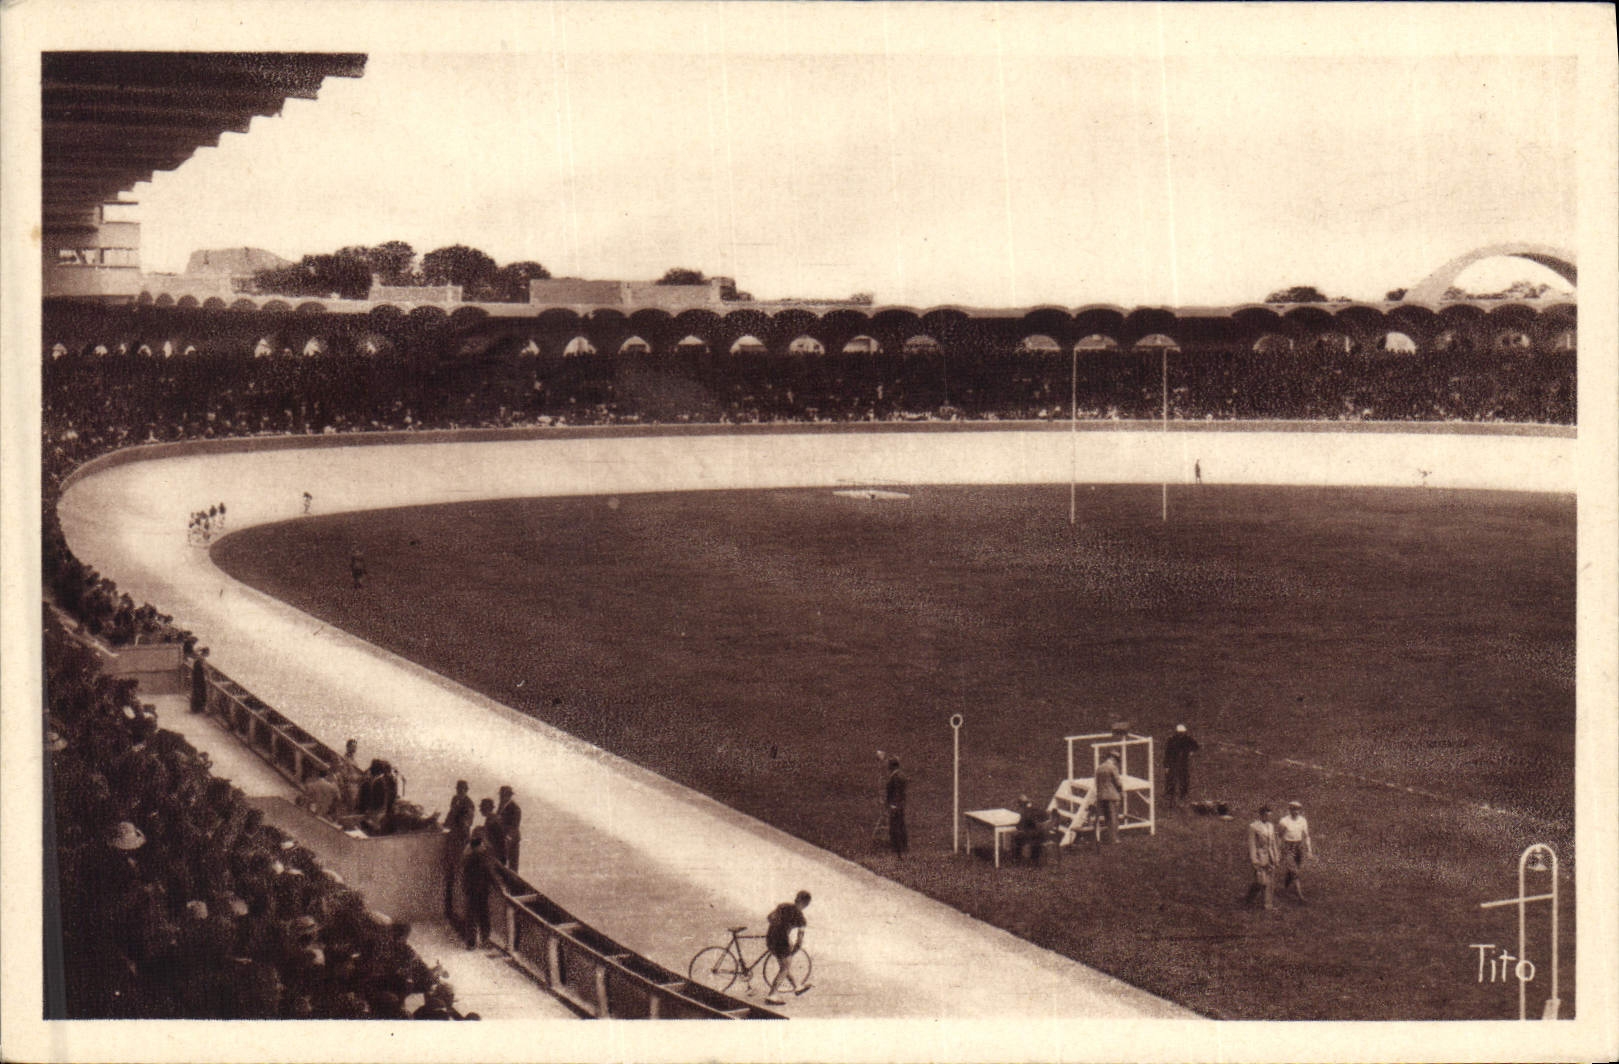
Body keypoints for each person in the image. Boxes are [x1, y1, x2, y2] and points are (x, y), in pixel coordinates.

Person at [762, 890, 811, 1005]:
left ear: (796, 898)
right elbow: (799, 941)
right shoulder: (802, 919)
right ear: (806, 904)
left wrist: (779, 926)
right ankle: (772, 995)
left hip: (770, 938)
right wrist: (793, 951)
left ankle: (797, 986)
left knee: (785, 965)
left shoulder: (783, 906)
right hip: (782, 942)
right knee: (785, 968)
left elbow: (769, 917)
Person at [443, 781, 476, 919]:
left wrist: (457, 826)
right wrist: (444, 824)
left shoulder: (469, 804)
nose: (459, 791)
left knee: (459, 871)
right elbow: (450, 815)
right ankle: (449, 906)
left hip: (460, 841)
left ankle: (459, 909)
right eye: (458, 789)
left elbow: (467, 824)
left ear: (466, 790)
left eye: (462, 789)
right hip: (453, 840)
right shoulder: (455, 799)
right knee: (450, 872)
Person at [460, 834, 496, 950]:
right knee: (483, 916)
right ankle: (485, 940)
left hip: (471, 891)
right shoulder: (481, 859)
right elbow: (489, 874)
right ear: (477, 847)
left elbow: (465, 877)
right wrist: (497, 887)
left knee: (471, 917)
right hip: (481, 892)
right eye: (482, 846)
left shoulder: (468, 858)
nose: (484, 847)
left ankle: (471, 943)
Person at [1277, 800, 1314, 902]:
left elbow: (1306, 836)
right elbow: (1279, 837)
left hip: (1299, 847)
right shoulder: (1284, 821)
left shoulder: (1302, 821)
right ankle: (1300, 896)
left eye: (1298, 810)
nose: (1296, 812)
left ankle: (1285, 889)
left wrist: (1309, 850)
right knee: (1294, 871)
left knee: (1293, 869)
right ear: (1290, 810)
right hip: (1287, 847)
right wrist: (1278, 851)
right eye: (1293, 809)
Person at [1245, 805, 1281, 910]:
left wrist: (1276, 856)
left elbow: (1273, 842)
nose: (1268, 817)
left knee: (1269, 881)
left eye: (1270, 815)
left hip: (1270, 856)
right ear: (1261, 815)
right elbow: (1252, 844)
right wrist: (1254, 860)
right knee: (1261, 881)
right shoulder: (1254, 826)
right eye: (1266, 815)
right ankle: (1249, 898)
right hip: (1260, 856)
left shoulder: (1271, 826)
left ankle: (1268, 905)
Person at [1164, 724, 1200, 809]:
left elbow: (1196, 745)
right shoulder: (1171, 740)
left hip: (1183, 762)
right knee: (1171, 780)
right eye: (1180, 733)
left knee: (1184, 779)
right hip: (1173, 762)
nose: (1181, 734)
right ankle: (1170, 798)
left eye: (1182, 733)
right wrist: (1166, 766)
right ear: (1176, 732)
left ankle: (1183, 795)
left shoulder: (1187, 739)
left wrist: (1191, 751)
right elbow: (1167, 753)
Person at [1094, 751, 1123, 843]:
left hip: (1102, 796)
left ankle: (1110, 837)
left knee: (1107, 818)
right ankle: (1114, 838)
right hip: (1112, 796)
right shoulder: (1113, 768)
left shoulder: (1099, 768)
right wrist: (1121, 792)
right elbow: (1118, 782)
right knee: (1114, 817)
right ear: (1114, 759)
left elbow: (1097, 783)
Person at [883, 757, 908, 859]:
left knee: (895, 827)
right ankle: (903, 847)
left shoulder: (895, 777)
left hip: (895, 805)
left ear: (892, 766)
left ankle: (897, 849)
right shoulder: (901, 775)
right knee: (901, 825)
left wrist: (893, 804)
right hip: (900, 804)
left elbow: (896, 792)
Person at [1013, 795, 1048, 866]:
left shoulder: (1025, 812)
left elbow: (1019, 826)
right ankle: (1035, 859)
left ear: (1021, 804)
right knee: (1034, 834)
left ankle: (1017, 858)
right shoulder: (1038, 809)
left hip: (1033, 836)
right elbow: (1046, 818)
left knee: (1017, 837)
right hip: (1043, 835)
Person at [496, 785, 522, 873]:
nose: (501, 797)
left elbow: (514, 826)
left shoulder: (515, 808)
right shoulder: (501, 806)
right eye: (501, 795)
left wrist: (507, 837)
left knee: (513, 867)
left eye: (503, 795)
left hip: (511, 840)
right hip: (503, 840)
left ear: (509, 796)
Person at [478, 797, 507, 866]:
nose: (480, 810)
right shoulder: (492, 818)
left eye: (482, 807)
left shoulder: (492, 819)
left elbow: (492, 840)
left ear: (486, 808)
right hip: (498, 854)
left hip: (497, 855)